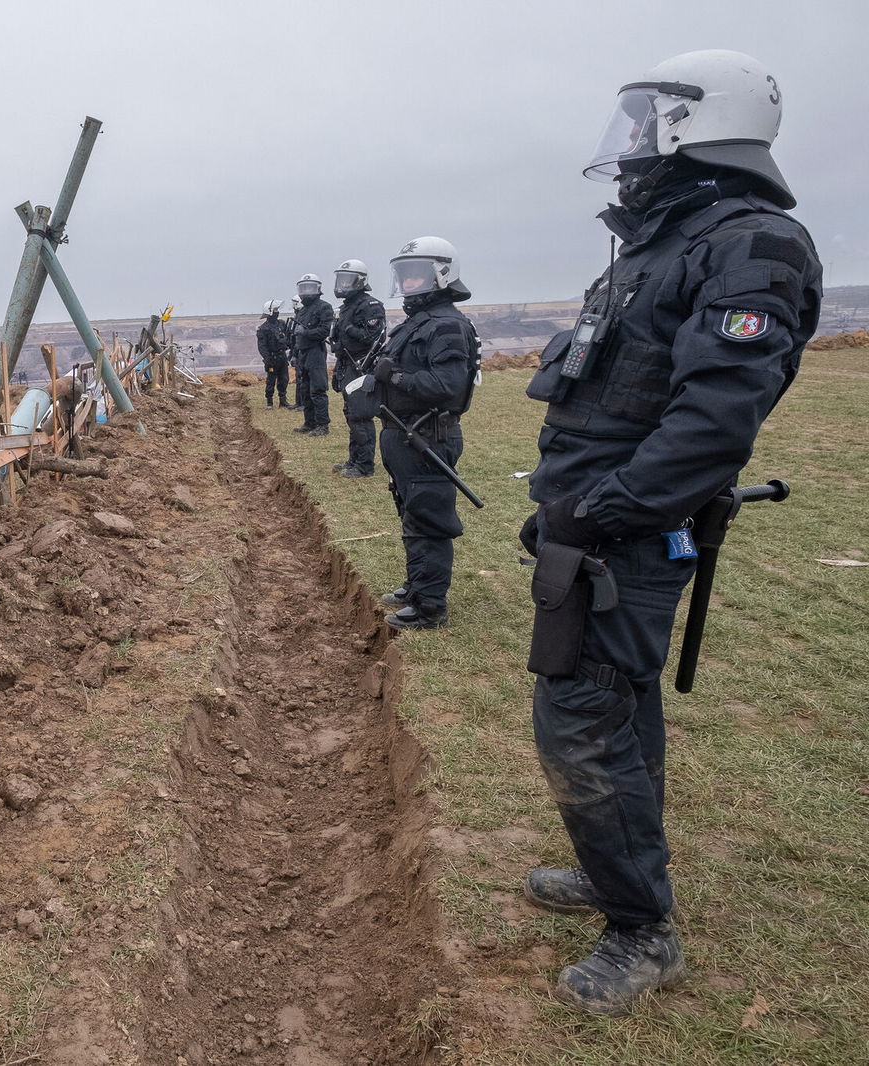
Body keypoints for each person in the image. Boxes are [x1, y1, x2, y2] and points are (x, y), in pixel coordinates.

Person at [519, 50, 822, 1016]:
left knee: (582, 718)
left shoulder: (752, 245)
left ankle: (641, 930)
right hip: (594, 522)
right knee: (618, 706)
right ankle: (619, 878)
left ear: (702, 124)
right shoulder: (662, 243)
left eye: (652, 120)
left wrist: (598, 512)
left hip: (628, 535)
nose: (634, 141)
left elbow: (712, 423)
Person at [363, 237, 479, 630]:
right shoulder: (419, 321)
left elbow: (447, 385)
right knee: (412, 511)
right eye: (404, 275)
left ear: (443, 273)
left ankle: (430, 607)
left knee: (428, 517)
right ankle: (417, 587)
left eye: (417, 275)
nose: (409, 282)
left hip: (427, 435)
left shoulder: (447, 324)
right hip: (404, 434)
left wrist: (393, 375)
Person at [329, 259, 389, 477]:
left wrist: (349, 330)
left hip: (362, 366)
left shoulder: (370, 305)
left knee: (360, 414)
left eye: (347, 280)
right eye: (341, 280)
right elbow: (340, 337)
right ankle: (354, 460)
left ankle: (364, 466)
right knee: (351, 414)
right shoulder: (347, 308)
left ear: (360, 281)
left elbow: (371, 337)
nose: (343, 285)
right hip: (347, 364)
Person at [290, 274, 333, 436]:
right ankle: (309, 422)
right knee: (305, 389)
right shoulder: (303, 311)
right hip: (303, 353)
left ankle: (323, 425)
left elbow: (324, 331)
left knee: (318, 390)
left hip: (316, 352)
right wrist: (295, 354)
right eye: (303, 288)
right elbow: (297, 336)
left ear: (318, 289)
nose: (306, 292)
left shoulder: (324, 307)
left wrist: (306, 333)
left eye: (309, 288)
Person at [256, 299, 292, 408]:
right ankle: (270, 402)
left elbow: (288, 337)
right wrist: (267, 359)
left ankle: (283, 400)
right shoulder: (263, 329)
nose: (277, 312)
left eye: (277, 309)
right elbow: (262, 346)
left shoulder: (281, 324)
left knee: (284, 379)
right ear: (270, 312)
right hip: (271, 358)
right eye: (275, 310)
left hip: (282, 356)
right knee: (271, 380)